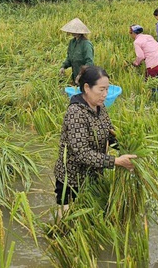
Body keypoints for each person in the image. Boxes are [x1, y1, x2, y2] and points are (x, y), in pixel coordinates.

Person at [53, 65, 137, 216]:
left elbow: (109, 133)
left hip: (93, 174)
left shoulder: (100, 107)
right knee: (67, 220)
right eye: (101, 89)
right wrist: (116, 161)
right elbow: (82, 153)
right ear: (87, 87)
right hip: (72, 179)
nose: (105, 94)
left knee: (90, 216)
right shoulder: (75, 113)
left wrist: (127, 146)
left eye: (107, 89)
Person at [59, 18, 94, 85]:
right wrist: (63, 66)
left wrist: (81, 74)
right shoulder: (72, 42)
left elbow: (89, 62)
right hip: (75, 74)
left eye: (76, 31)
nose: (73, 33)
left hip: (85, 76)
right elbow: (69, 58)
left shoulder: (86, 44)